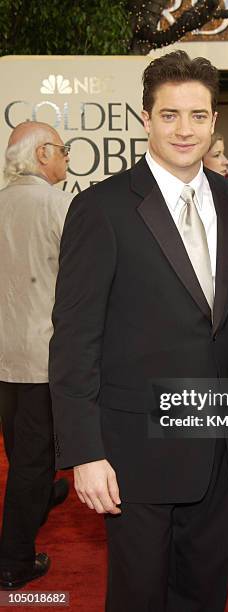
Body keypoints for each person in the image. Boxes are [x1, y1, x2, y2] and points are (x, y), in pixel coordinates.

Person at [49, 51, 228, 612]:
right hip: (134, 455)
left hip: (221, 452)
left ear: (214, 121)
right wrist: (85, 451)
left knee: (206, 596)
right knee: (138, 598)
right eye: (169, 115)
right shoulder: (102, 208)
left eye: (198, 115)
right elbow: (73, 340)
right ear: (145, 119)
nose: (185, 130)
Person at [0, 121, 72, 590]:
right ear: (43, 153)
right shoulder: (58, 205)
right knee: (32, 461)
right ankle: (14, 563)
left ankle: (43, 493)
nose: (67, 157)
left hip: (3, 356)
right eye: (63, 150)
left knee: (19, 451)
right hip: (39, 358)